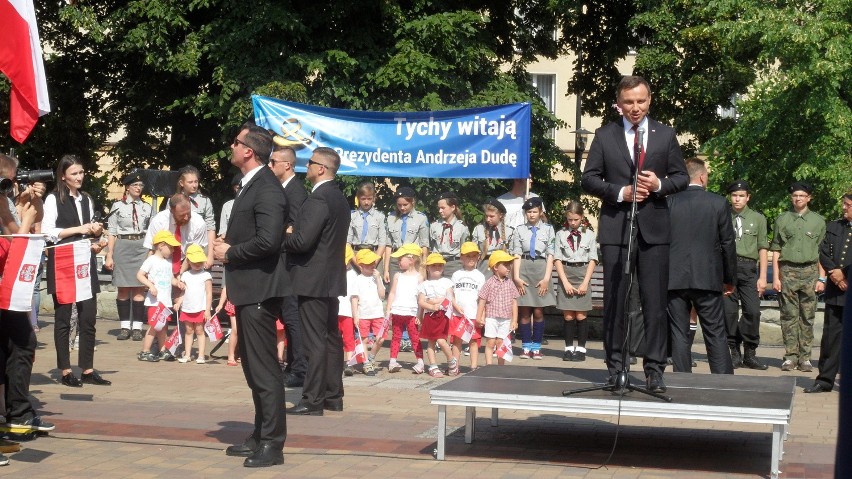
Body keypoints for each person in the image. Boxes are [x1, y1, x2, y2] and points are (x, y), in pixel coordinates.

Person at [580, 75, 688, 393]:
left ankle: (655, 370)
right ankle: (616, 368)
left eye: (640, 101)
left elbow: (681, 176)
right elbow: (589, 178)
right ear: (619, 103)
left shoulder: (665, 135)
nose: (635, 108)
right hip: (616, 229)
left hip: (654, 229)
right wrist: (620, 192)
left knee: (655, 303)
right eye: (629, 102)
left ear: (649, 100)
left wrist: (658, 185)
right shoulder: (605, 135)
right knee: (615, 300)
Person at [214, 123, 289, 467]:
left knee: (264, 370)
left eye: (236, 142)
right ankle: (260, 435)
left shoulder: (267, 188)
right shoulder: (252, 185)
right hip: (247, 290)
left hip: (260, 289)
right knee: (253, 369)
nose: (231, 146)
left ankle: (273, 445)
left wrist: (229, 252)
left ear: (249, 151)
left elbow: (269, 241)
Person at [283, 147, 349, 417]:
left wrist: (285, 235)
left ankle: (312, 399)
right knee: (331, 337)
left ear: (321, 168)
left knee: (314, 341)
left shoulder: (318, 199)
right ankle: (333, 396)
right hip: (330, 277)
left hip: (312, 278)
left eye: (309, 163)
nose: (305, 166)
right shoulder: (339, 198)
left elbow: (302, 241)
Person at [43, 155, 112, 388]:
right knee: (63, 318)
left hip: (84, 259)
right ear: (63, 175)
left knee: (88, 317)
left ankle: (88, 369)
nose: (79, 177)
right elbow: (48, 232)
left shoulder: (86, 199)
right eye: (74, 173)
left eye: (81, 172)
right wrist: (80, 228)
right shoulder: (53, 199)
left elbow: (88, 233)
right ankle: (64, 370)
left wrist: (96, 234)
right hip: (62, 261)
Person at [0, 153, 54, 443]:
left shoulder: (6, 200)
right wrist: (24, 223)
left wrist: (30, 208)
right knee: (21, 343)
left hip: (7, 291)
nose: (13, 185)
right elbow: (10, 248)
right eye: (11, 179)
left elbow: (17, 234)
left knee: (19, 343)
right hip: (4, 288)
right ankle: (16, 413)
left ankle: (17, 414)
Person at [666, 158, 736, 374]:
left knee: (679, 331)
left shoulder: (669, 202)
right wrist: (729, 278)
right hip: (707, 277)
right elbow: (727, 243)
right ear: (702, 177)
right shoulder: (718, 202)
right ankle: (723, 382)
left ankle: (682, 380)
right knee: (715, 331)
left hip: (674, 278)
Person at [771, 181, 826, 372]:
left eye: (802, 195)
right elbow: (776, 249)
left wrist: (822, 278)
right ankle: (790, 356)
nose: (798, 199)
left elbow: (822, 253)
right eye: (795, 196)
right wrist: (776, 278)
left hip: (810, 271)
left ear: (809, 198)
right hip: (788, 271)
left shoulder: (818, 221)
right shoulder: (782, 219)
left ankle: (805, 358)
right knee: (788, 315)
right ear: (791, 198)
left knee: (808, 316)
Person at [269, 145, 309, 388]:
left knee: (293, 319)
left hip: (291, 265)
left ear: (287, 165)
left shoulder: (295, 191)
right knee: (288, 317)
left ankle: (299, 369)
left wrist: (277, 233)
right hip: (282, 265)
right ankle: (293, 366)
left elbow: (296, 229)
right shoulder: (283, 188)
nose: (270, 165)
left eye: (274, 162)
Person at [804, 191, 851, 393]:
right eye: (844, 204)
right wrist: (834, 273)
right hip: (835, 290)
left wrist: (845, 274)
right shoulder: (834, 226)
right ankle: (824, 380)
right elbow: (823, 251)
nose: (844, 208)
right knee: (831, 338)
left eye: (848, 205)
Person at [724, 180, 770, 370]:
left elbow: (762, 247)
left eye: (741, 195)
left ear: (748, 197)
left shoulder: (758, 218)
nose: (737, 199)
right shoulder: (723, 215)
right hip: (727, 268)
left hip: (749, 268)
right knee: (729, 312)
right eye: (734, 195)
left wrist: (762, 276)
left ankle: (750, 352)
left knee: (752, 311)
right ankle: (733, 352)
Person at [105, 171, 153, 341]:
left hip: (141, 246)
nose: (138, 188)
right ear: (127, 187)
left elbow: (152, 232)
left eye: (140, 186)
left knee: (139, 286)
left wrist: (150, 253)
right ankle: (125, 327)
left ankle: (138, 327)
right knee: (123, 287)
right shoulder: (117, 206)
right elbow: (112, 232)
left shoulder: (147, 207)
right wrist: (109, 255)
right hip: (123, 246)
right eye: (135, 185)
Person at [383, 186, 428, 353]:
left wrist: (422, 268)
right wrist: (386, 268)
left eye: (405, 205)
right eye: (399, 204)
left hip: (412, 260)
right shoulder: (391, 218)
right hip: (396, 258)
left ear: (412, 202)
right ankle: (398, 335)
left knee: (411, 296)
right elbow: (388, 244)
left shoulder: (421, 219)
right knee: (396, 295)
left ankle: (410, 336)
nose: (402, 208)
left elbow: (424, 245)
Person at [510, 197, 555, 360]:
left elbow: (551, 255)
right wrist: (516, 277)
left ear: (540, 212)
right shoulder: (519, 230)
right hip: (524, 269)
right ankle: (525, 346)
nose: (532, 214)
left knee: (538, 310)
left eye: (535, 211)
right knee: (524, 310)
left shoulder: (549, 229)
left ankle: (536, 347)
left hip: (541, 270)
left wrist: (546, 279)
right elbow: (516, 254)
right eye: (528, 212)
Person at [554, 201, 598, 362]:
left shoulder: (589, 235)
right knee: (568, 316)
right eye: (570, 219)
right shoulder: (560, 234)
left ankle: (581, 349)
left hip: (582, 272)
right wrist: (565, 282)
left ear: (582, 218)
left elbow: (593, 259)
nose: (573, 223)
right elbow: (557, 259)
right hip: (566, 272)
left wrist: (585, 282)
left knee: (580, 314)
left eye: (576, 220)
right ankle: (568, 348)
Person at [371, 243, 425, 374]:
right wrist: (389, 309)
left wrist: (419, 315)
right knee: (396, 337)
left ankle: (420, 362)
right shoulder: (397, 276)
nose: (398, 261)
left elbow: (421, 298)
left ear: (411, 260)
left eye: (401, 258)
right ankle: (393, 360)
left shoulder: (419, 278)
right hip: (397, 312)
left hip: (412, 313)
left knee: (414, 338)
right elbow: (393, 292)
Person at [135, 230, 182, 362]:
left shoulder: (168, 263)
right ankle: (145, 351)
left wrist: (177, 283)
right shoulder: (151, 260)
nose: (172, 250)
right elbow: (140, 275)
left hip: (165, 301)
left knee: (163, 327)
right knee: (155, 326)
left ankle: (162, 350)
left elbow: (170, 279)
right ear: (161, 245)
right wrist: (150, 285)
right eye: (170, 247)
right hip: (155, 302)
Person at [143, 193, 208, 277]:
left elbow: (195, 251)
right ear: (171, 211)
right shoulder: (159, 221)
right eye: (181, 215)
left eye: (188, 213)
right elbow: (152, 249)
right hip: (162, 262)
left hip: (189, 262)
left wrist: (179, 275)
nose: (186, 218)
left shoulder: (199, 223)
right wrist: (150, 272)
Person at [477, 250, 520, 366]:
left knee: (501, 343)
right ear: (496, 267)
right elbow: (482, 300)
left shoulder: (510, 283)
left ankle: (501, 367)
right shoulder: (489, 283)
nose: (509, 268)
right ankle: (489, 366)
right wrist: (479, 316)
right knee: (490, 342)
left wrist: (514, 320)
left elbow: (514, 302)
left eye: (509, 265)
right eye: (505, 265)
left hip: (506, 318)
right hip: (491, 317)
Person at [418, 253, 456, 377]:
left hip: (443, 315)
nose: (437, 268)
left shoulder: (447, 282)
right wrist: (428, 308)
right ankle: (433, 366)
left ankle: (452, 361)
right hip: (429, 316)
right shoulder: (424, 284)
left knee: (441, 340)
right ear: (427, 268)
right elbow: (421, 302)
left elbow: (450, 298)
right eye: (434, 265)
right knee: (431, 342)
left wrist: (435, 301)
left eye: (440, 265)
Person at [450, 242, 486, 371]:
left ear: (478, 257)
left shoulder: (480, 276)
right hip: (457, 314)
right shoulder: (456, 275)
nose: (471, 258)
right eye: (468, 256)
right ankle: (455, 366)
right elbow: (451, 295)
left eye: (474, 256)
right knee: (457, 341)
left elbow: (483, 299)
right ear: (461, 257)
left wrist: (482, 316)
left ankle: (473, 366)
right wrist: (455, 306)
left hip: (473, 314)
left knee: (474, 341)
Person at [176, 244, 213, 363]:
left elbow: (208, 293)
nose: (197, 264)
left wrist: (207, 310)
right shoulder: (186, 275)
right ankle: (187, 354)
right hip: (187, 308)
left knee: (200, 331)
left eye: (200, 261)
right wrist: (179, 302)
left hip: (200, 308)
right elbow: (184, 292)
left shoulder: (206, 275)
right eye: (194, 261)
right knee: (188, 331)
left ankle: (201, 355)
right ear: (188, 261)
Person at [175, 166, 216, 269]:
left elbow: (210, 228)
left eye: (196, 182)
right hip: (179, 249)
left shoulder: (205, 201)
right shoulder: (174, 200)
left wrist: (210, 255)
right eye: (190, 182)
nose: (194, 185)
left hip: (200, 248)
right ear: (181, 183)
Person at [350, 249, 386, 351]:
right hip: (363, 315)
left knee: (381, 338)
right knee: (364, 340)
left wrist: (379, 279)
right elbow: (354, 299)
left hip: (378, 314)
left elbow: (382, 295)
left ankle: (372, 356)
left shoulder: (377, 277)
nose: (372, 264)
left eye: (373, 262)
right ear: (361, 266)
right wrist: (355, 316)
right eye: (368, 263)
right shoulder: (358, 279)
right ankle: (366, 362)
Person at [347, 182, 388, 268]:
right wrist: (357, 264)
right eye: (363, 199)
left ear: (374, 198)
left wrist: (374, 263)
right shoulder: (352, 216)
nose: (366, 202)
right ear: (358, 198)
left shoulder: (380, 217)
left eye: (369, 199)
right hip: (355, 255)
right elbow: (347, 242)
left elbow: (382, 243)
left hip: (374, 255)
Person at [429, 191, 469, 278]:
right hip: (436, 264)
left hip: (454, 265)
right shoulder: (434, 226)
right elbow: (431, 246)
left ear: (453, 207)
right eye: (439, 208)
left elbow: (464, 249)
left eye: (443, 208)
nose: (440, 211)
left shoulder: (462, 227)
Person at [471, 198, 514, 275]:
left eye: (491, 216)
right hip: (483, 268)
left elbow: (512, 254)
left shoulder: (510, 231)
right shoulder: (479, 229)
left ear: (500, 215)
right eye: (486, 216)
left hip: (502, 268)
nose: (488, 219)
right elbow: (474, 252)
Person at [337, 245, 358, 376]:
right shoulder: (333, 271)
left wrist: (355, 314)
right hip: (334, 311)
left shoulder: (353, 275)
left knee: (348, 338)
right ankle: (336, 361)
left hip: (348, 312)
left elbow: (355, 296)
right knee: (335, 337)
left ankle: (349, 361)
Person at [214, 284, 239, 366]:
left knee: (246, 330)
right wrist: (220, 304)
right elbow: (226, 287)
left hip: (249, 302)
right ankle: (231, 356)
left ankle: (240, 354)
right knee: (235, 329)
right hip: (235, 302)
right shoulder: (233, 273)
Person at [217, 172, 242, 239]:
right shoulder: (227, 206)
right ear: (234, 188)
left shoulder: (255, 203)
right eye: (237, 188)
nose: (240, 190)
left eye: (242, 187)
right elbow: (223, 231)